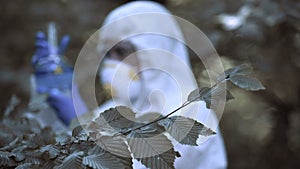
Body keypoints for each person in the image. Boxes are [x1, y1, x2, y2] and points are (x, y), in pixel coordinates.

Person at [32, 1, 227, 168]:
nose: (111, 64)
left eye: (122, 51)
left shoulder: (191, 116)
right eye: (107, 54)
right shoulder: (114, 111)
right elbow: (54, 154)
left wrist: (81, 124)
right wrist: (51, 99)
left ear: (155, 51)